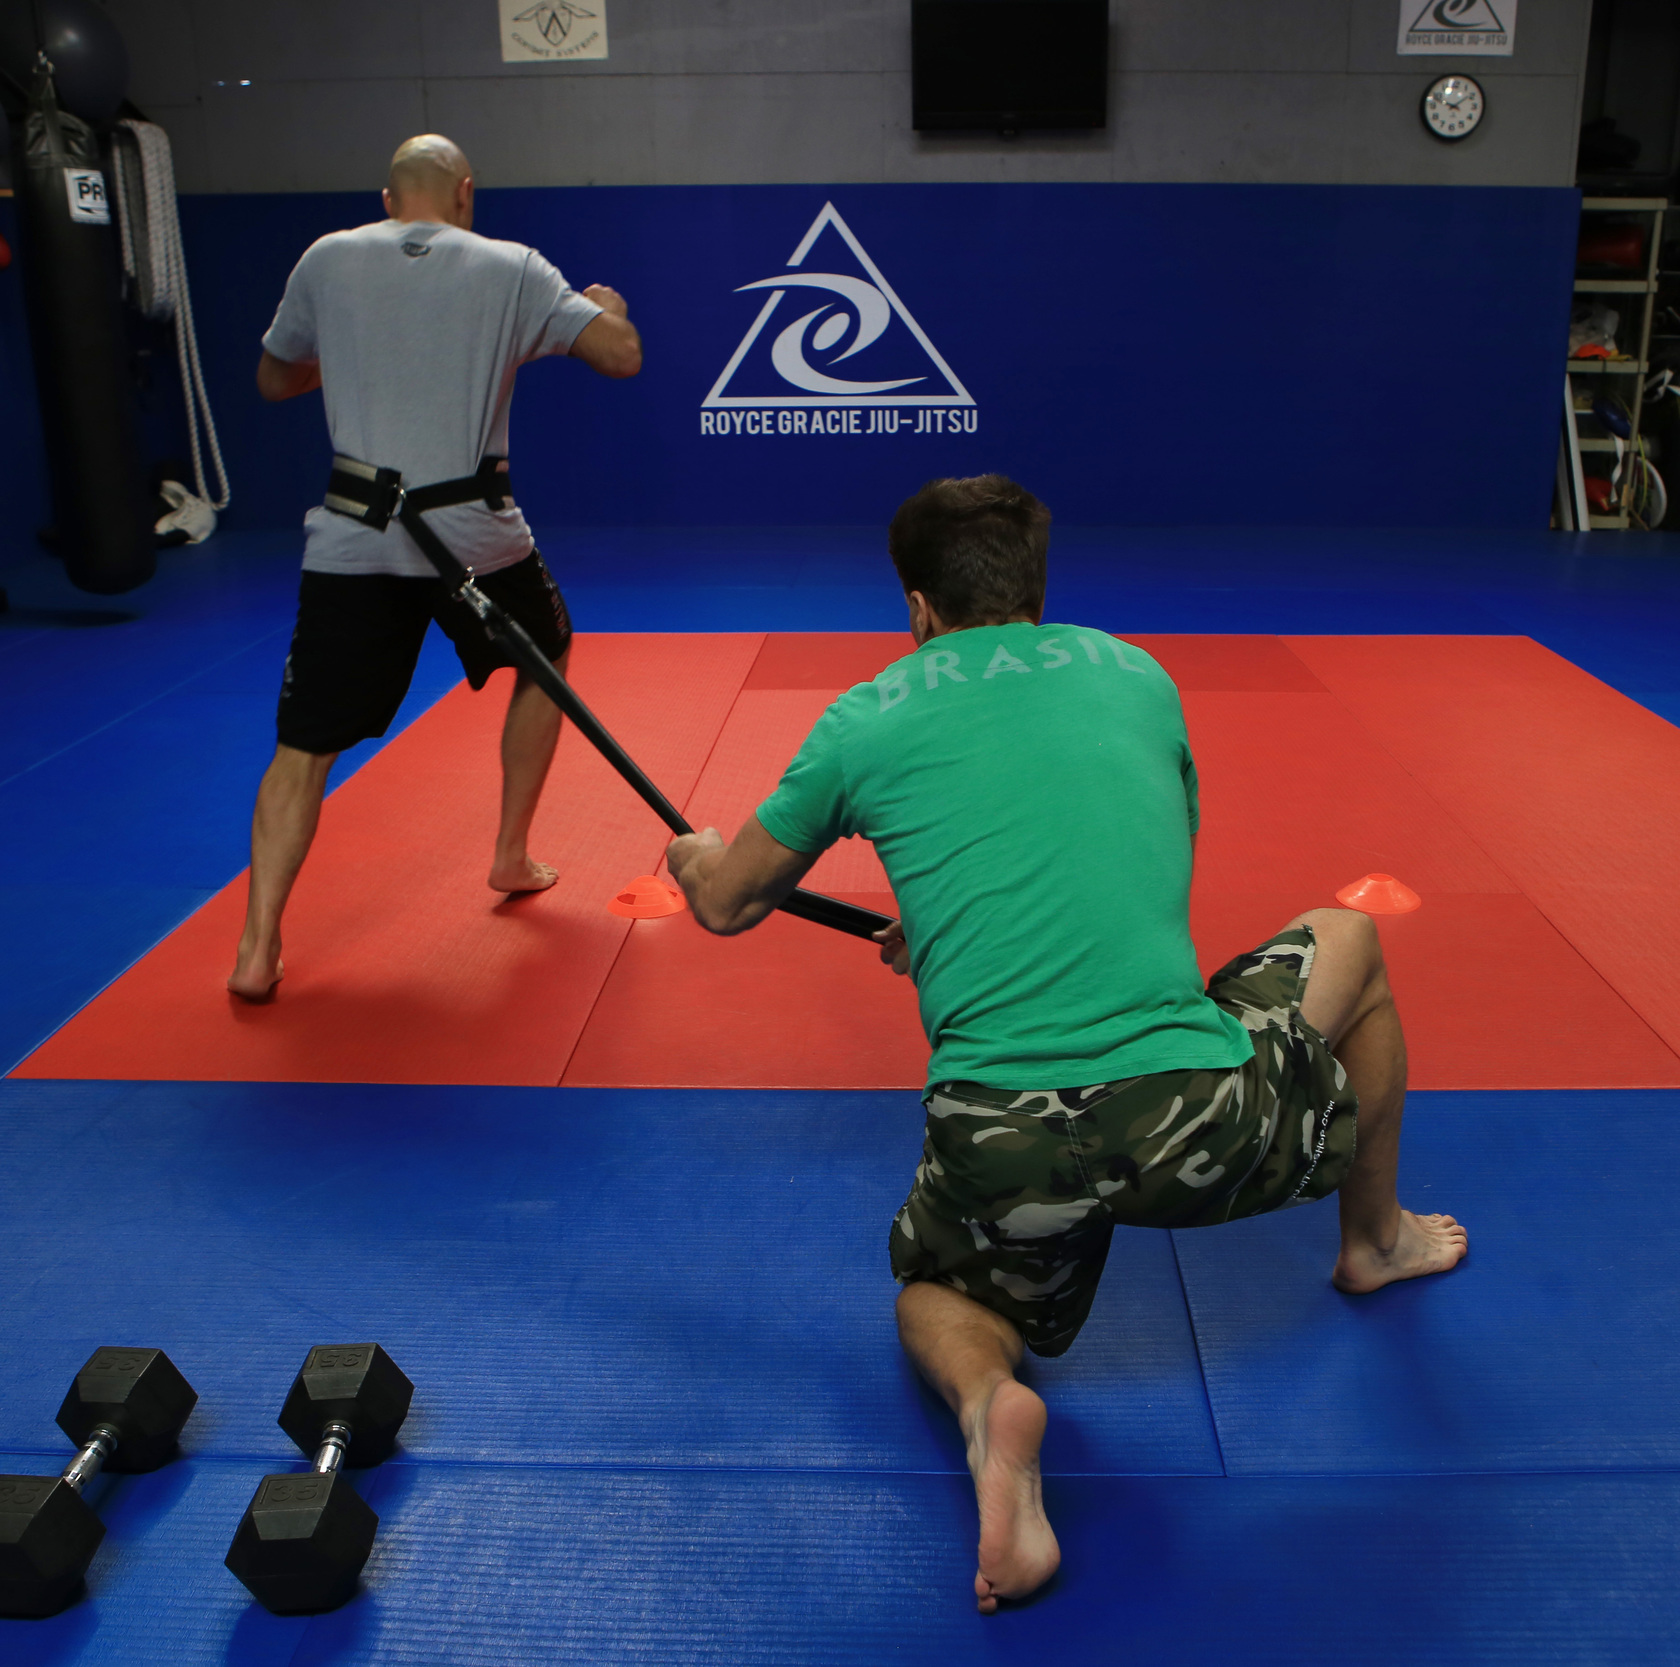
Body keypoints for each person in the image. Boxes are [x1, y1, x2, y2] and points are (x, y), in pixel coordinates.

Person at [662, 475, 1467, 1612]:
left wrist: (698, 853)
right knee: (1353, 936)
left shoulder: (866, 713)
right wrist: (960, 905)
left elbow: (729, 903)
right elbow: (1145, 860)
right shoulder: (1133, 671)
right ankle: (1372, 1241)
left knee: (935, 1293)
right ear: (1036, 590)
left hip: (1001, 1142)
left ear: (918, 607)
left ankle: (990, 1404)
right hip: (1196, 1114)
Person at [230, 135, 643, 1000]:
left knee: (302, 747)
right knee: (547, 656)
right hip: (475, 535)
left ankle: (258, 948)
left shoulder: (327, 258)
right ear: (464, 193)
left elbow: (273, 379)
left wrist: (355, 356)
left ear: (388, 199)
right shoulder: (511, 265)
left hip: (353, 536)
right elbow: (620, 355)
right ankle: (510, 853)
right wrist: (604, 307)